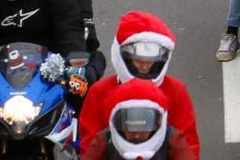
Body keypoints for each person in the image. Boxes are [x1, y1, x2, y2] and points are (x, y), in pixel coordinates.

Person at [78, 13, 199, 158]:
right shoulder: (99, 92)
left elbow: (188, 145)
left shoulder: (176, 90)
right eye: (139, 61)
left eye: (150, 62)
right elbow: (89, 145)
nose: (144, 68)